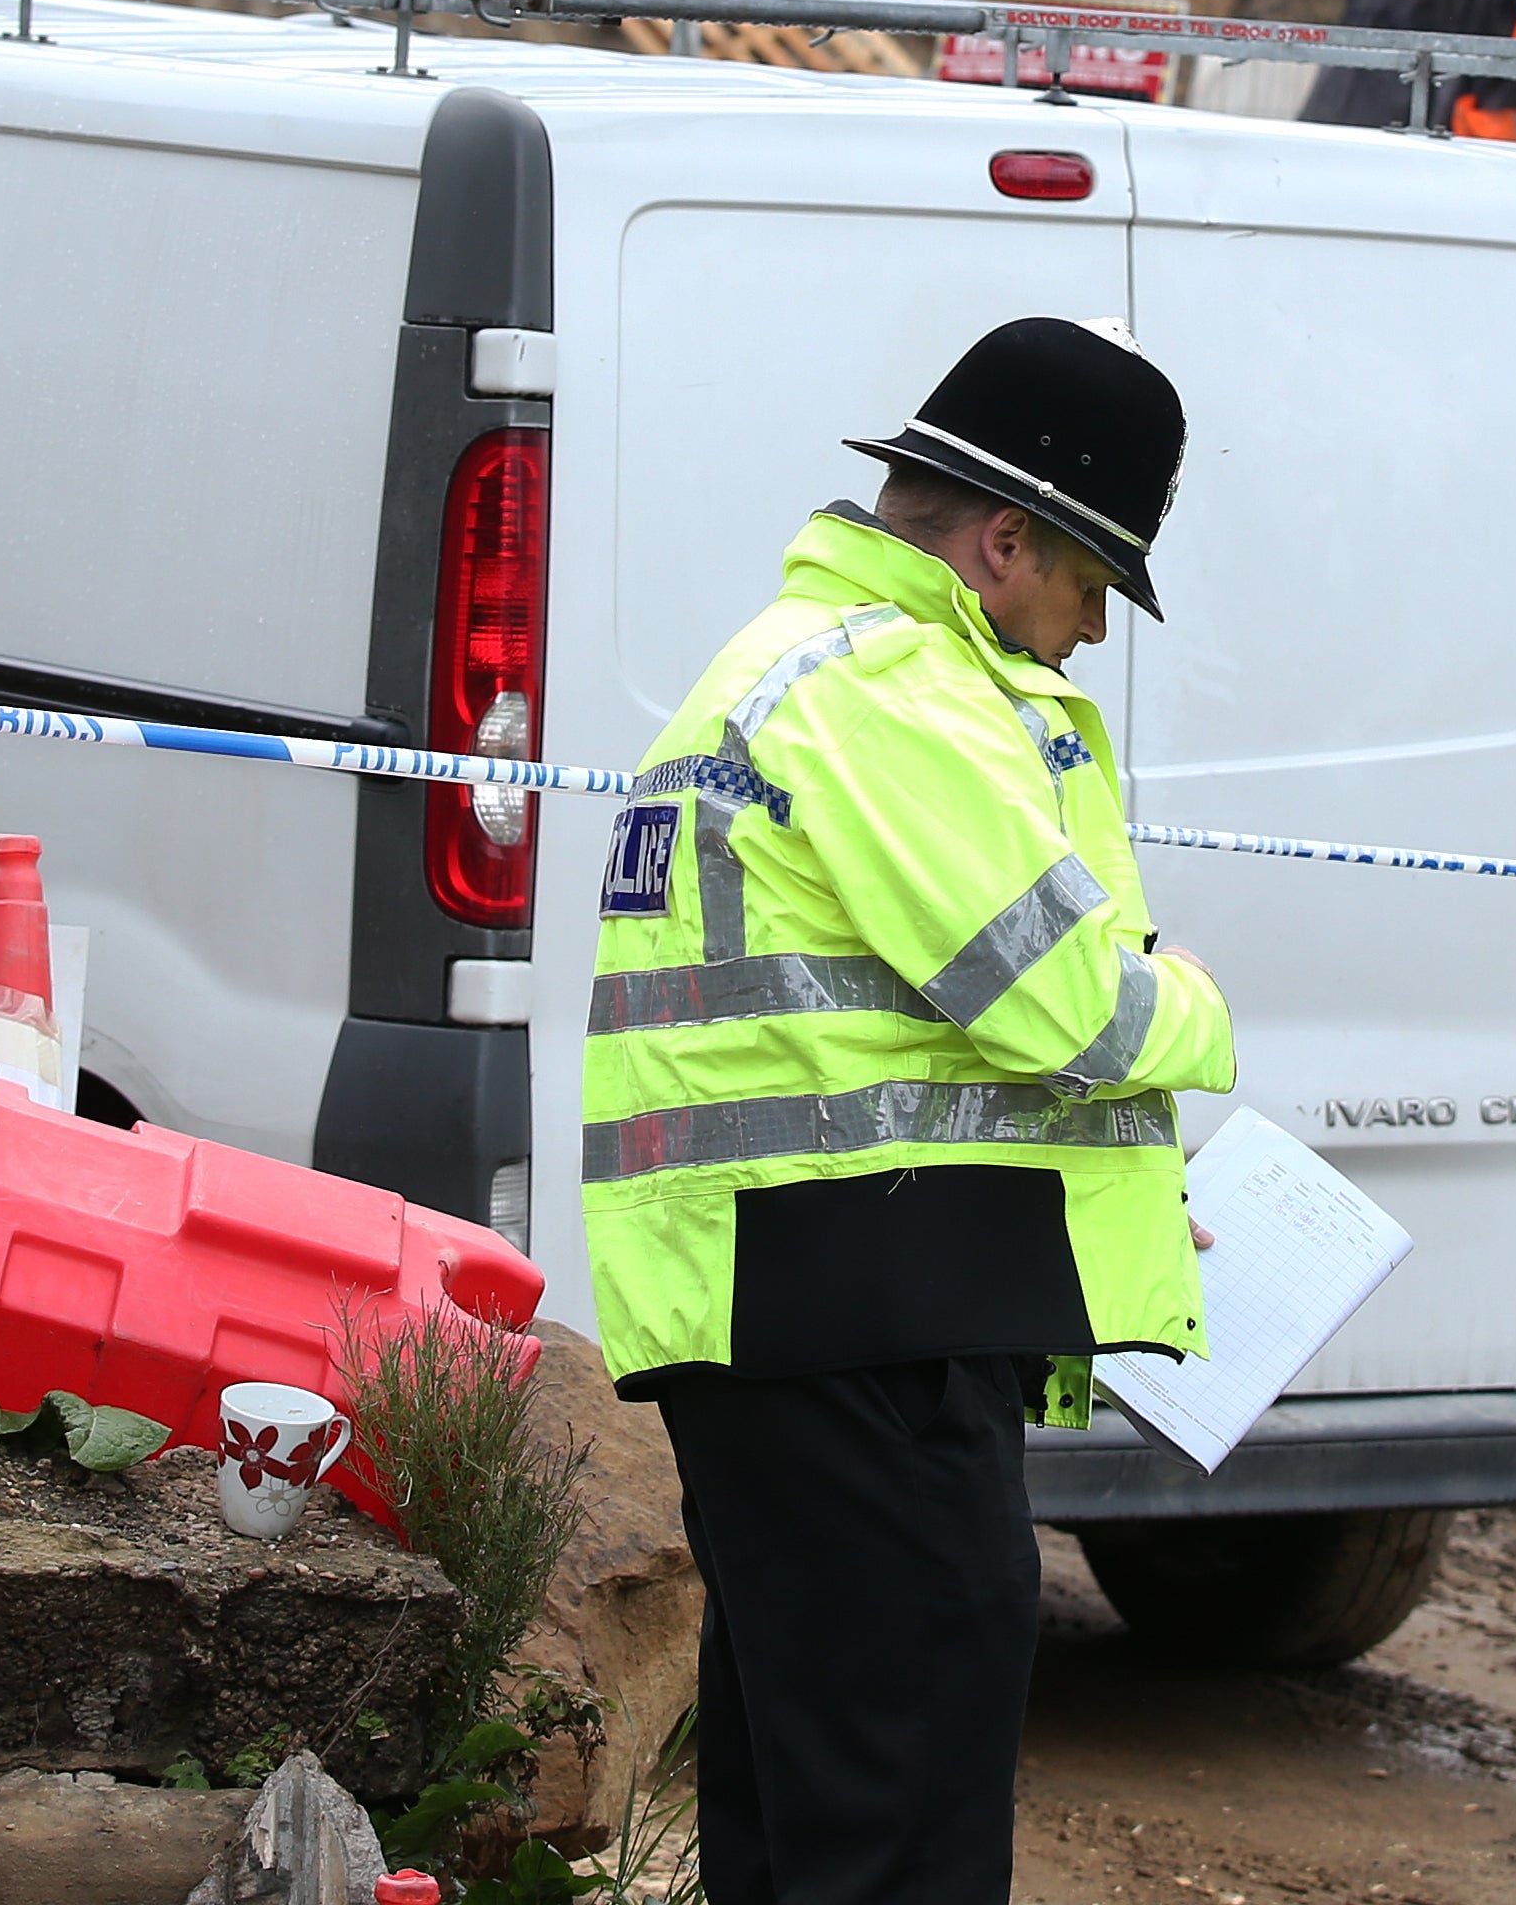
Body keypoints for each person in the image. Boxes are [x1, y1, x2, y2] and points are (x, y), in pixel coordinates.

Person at [581, 316, 1235, 1905]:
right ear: (1006, 541)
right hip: (865, 1333)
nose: (1088, 634)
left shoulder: (804, 669)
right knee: (897, 1818)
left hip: (814, 1309)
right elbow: (1070, 999)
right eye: (1090, 586)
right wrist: (1200, 1004)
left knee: (807, 1805)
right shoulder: (889, 689)